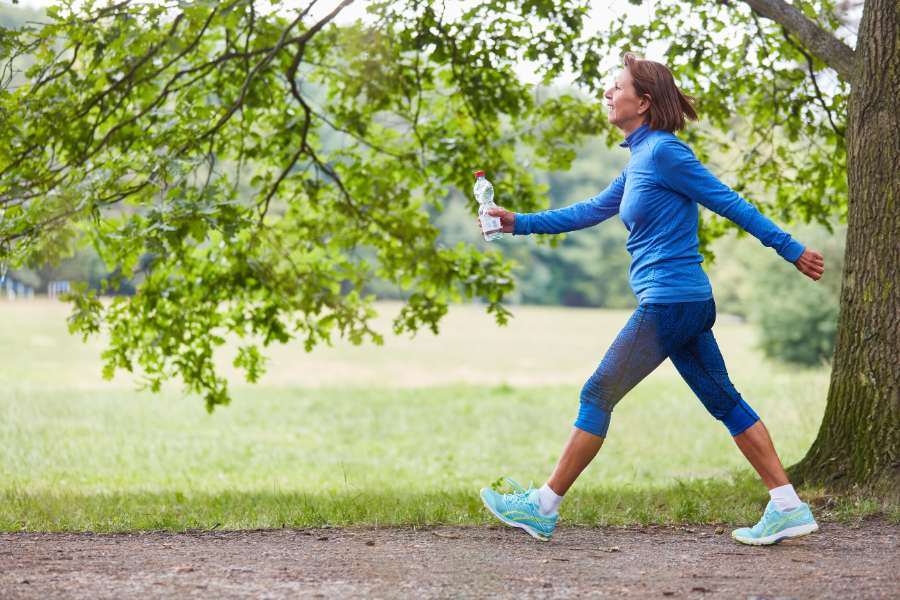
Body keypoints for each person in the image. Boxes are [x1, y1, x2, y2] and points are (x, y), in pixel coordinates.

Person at [478, 52, 825, 546]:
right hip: (682, 304)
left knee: (598, 393)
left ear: (642, 102)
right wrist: (518, 223)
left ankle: (543, 506)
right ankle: (788, 505)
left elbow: (728, 201)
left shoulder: (665, 152)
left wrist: (789, 248)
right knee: (724, 401)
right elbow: (591, 210)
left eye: (616, 86)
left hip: (669, 303)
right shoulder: (640, 158)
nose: (607, 93)